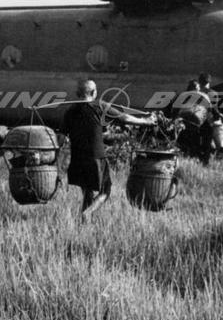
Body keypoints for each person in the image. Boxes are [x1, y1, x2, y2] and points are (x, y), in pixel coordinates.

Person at [59, 79, 153, 218]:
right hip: (96, 157)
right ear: (93, 92)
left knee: (87, 192)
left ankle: (84, 223)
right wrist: (145, 121)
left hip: (77, 159)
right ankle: (87, 213)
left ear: (78, 93)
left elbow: (61, 137)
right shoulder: (99, 106)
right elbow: (124, 118)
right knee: (105, 190)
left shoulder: (70, 111)